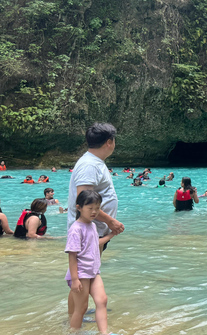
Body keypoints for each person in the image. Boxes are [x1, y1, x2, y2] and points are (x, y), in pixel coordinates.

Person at [66, 190, 118, 334]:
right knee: (81, 308)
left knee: (102, 300)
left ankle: (104, 333)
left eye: (97, 208)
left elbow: (96, 243)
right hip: (81, 273)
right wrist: (75, 279)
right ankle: (74, 332)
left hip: (94, 271)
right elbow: (72, 256)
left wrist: (112, 234)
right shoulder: (76, 229)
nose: (94, 212)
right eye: (90, 208)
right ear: (79, 207)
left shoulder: (92, 225)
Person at [67, 123, 124, 248]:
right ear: (109, 142)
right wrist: (110, 221)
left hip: (95, 230)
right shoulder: (89, 165)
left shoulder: (94, 162)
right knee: (87, 268)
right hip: (89, 232)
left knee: (93, 268)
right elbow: (84, 201)